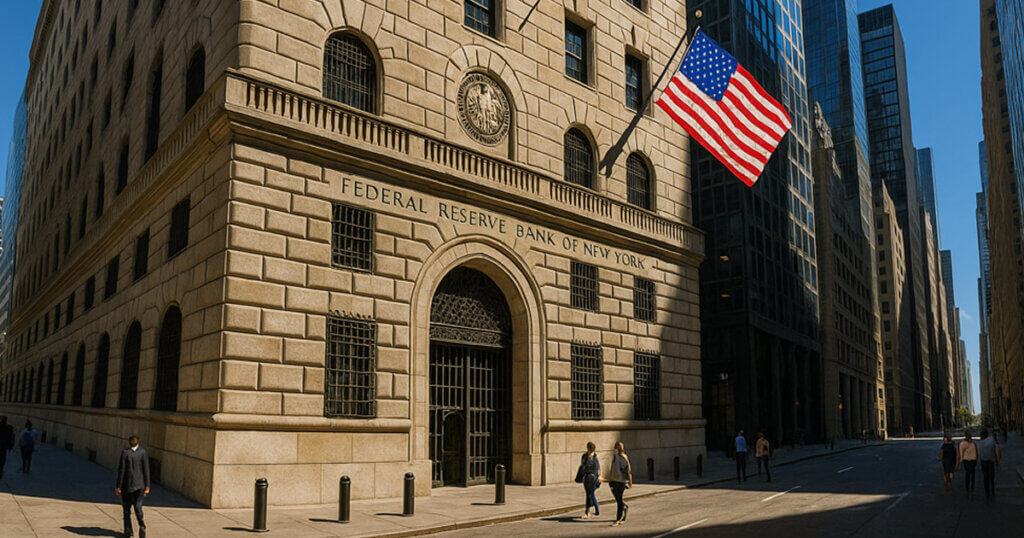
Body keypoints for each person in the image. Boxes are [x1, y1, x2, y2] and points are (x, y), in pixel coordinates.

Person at [116, 435, 151, 538]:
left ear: (129, 442)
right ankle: (142, 525)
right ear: (137, 442)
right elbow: (146, 470)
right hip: (139, 486)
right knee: (138, 507)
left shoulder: (125, 453)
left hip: (127, 486)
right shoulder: (142, 452)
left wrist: (118, 486)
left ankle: (128, 530)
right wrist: (147, 485)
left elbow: (121, 470)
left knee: (127, 509)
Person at [608, 442, 632, 527]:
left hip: (622, 481)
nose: (620, 448)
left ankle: (618, 519)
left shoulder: (624, 457)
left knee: (619, 500)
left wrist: (630, 482)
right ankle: (624, 506)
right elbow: (612, 467)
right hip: (614, 480)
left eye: (621, 446)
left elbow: (628, 470)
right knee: (618, 499)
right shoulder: (615, 456)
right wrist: (610, 478)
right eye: (619, 447)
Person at [976, 428, 1002, 500]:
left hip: (983, 462)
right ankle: (992, 490)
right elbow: (997, 450)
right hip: (991, 461)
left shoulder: (979, 443)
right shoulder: (992, 440)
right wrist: (998, 460)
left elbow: (978, 453)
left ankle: (987, 492)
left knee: (985, 477)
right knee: (992, 477)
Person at [580, 441, 601, 519]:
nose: (592, 451)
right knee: (589, 494)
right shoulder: (584, 457)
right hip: (587, 477)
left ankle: (588, 512)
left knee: (590, 494)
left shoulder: (595, 456)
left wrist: (599, 476)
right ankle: (595, 510)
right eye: (591, 449)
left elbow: (598, 467)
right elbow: (583, 467)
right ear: (588, 448)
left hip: (594, 477)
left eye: (593, 449)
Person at [957, 430, 978, 497]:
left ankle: (967, 490)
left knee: (967, 475)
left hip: (966, 461)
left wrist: (959, 463)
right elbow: (976, 453)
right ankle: (972, 489)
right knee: (972, 475)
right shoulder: (973, 443)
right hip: (973, 461)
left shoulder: (962, 443)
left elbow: (960, 454)